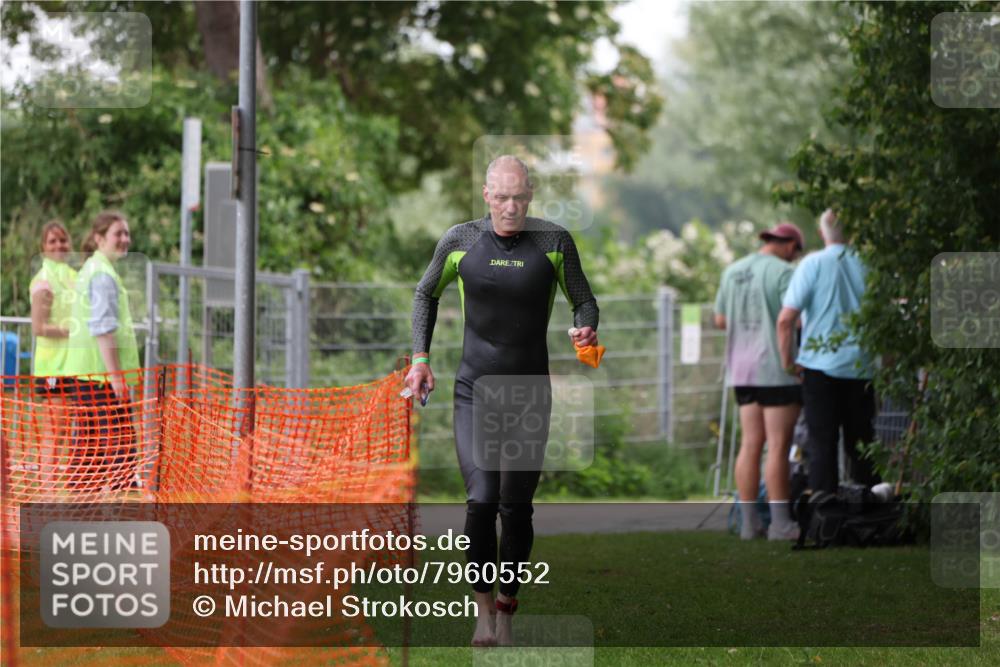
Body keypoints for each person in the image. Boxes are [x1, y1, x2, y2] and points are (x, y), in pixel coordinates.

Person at [406, 155, 599, 646]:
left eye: (519, 197)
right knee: (480, 501)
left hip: (530, 392)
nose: (510, 206)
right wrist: (420, 357)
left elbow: (584, 298)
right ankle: (483, 611)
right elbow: (425, 294)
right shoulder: (460, 241)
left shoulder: (554, 241)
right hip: (475, 391)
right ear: (487, 195)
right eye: (502, 196)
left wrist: (586, 326)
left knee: (516, 508)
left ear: (529, 195)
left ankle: (508, 615)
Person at [777, 209, 879, 495]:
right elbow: (883, 320)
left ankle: (825, 510)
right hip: (862, 367)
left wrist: (789, 363)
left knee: (822, 443)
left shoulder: (812, 264)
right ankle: (870, 510)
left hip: (819, 367)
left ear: (822, 233)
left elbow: (785, 320)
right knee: (862, 444)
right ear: (851, 233)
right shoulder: (869, 264)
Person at [714, 222, 805, 540]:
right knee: (778, 447)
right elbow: (793, 319)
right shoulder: (783, 272)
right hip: (777, 370)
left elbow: (721, 319)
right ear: (791, 246)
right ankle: (781, 524)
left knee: (750, 444)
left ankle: (748, 524)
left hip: (742, 370)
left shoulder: (732, 271)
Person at [63, 211, 141, 491]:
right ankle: (123, 507)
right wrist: (117, 378)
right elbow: (103, 329)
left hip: (88, 376)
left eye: (126, 233)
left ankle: (80, 507)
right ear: (99, 238)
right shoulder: (102, 275)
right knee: (120, 443)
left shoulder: (94, 269)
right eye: (117, 234)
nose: (125, 239)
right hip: (100, 378)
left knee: (89, 446)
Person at [29, 220, 78, 484]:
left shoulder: (72, 276)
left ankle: (59, 493)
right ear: (43, 248)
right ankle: (46, 493)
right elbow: (38, 327)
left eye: (63, 240)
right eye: (53, 241)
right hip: (52, 369)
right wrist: (74, 330)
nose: (59, 245)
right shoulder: (44, 281)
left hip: (75, 367)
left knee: (69, 432)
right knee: (55, 433)